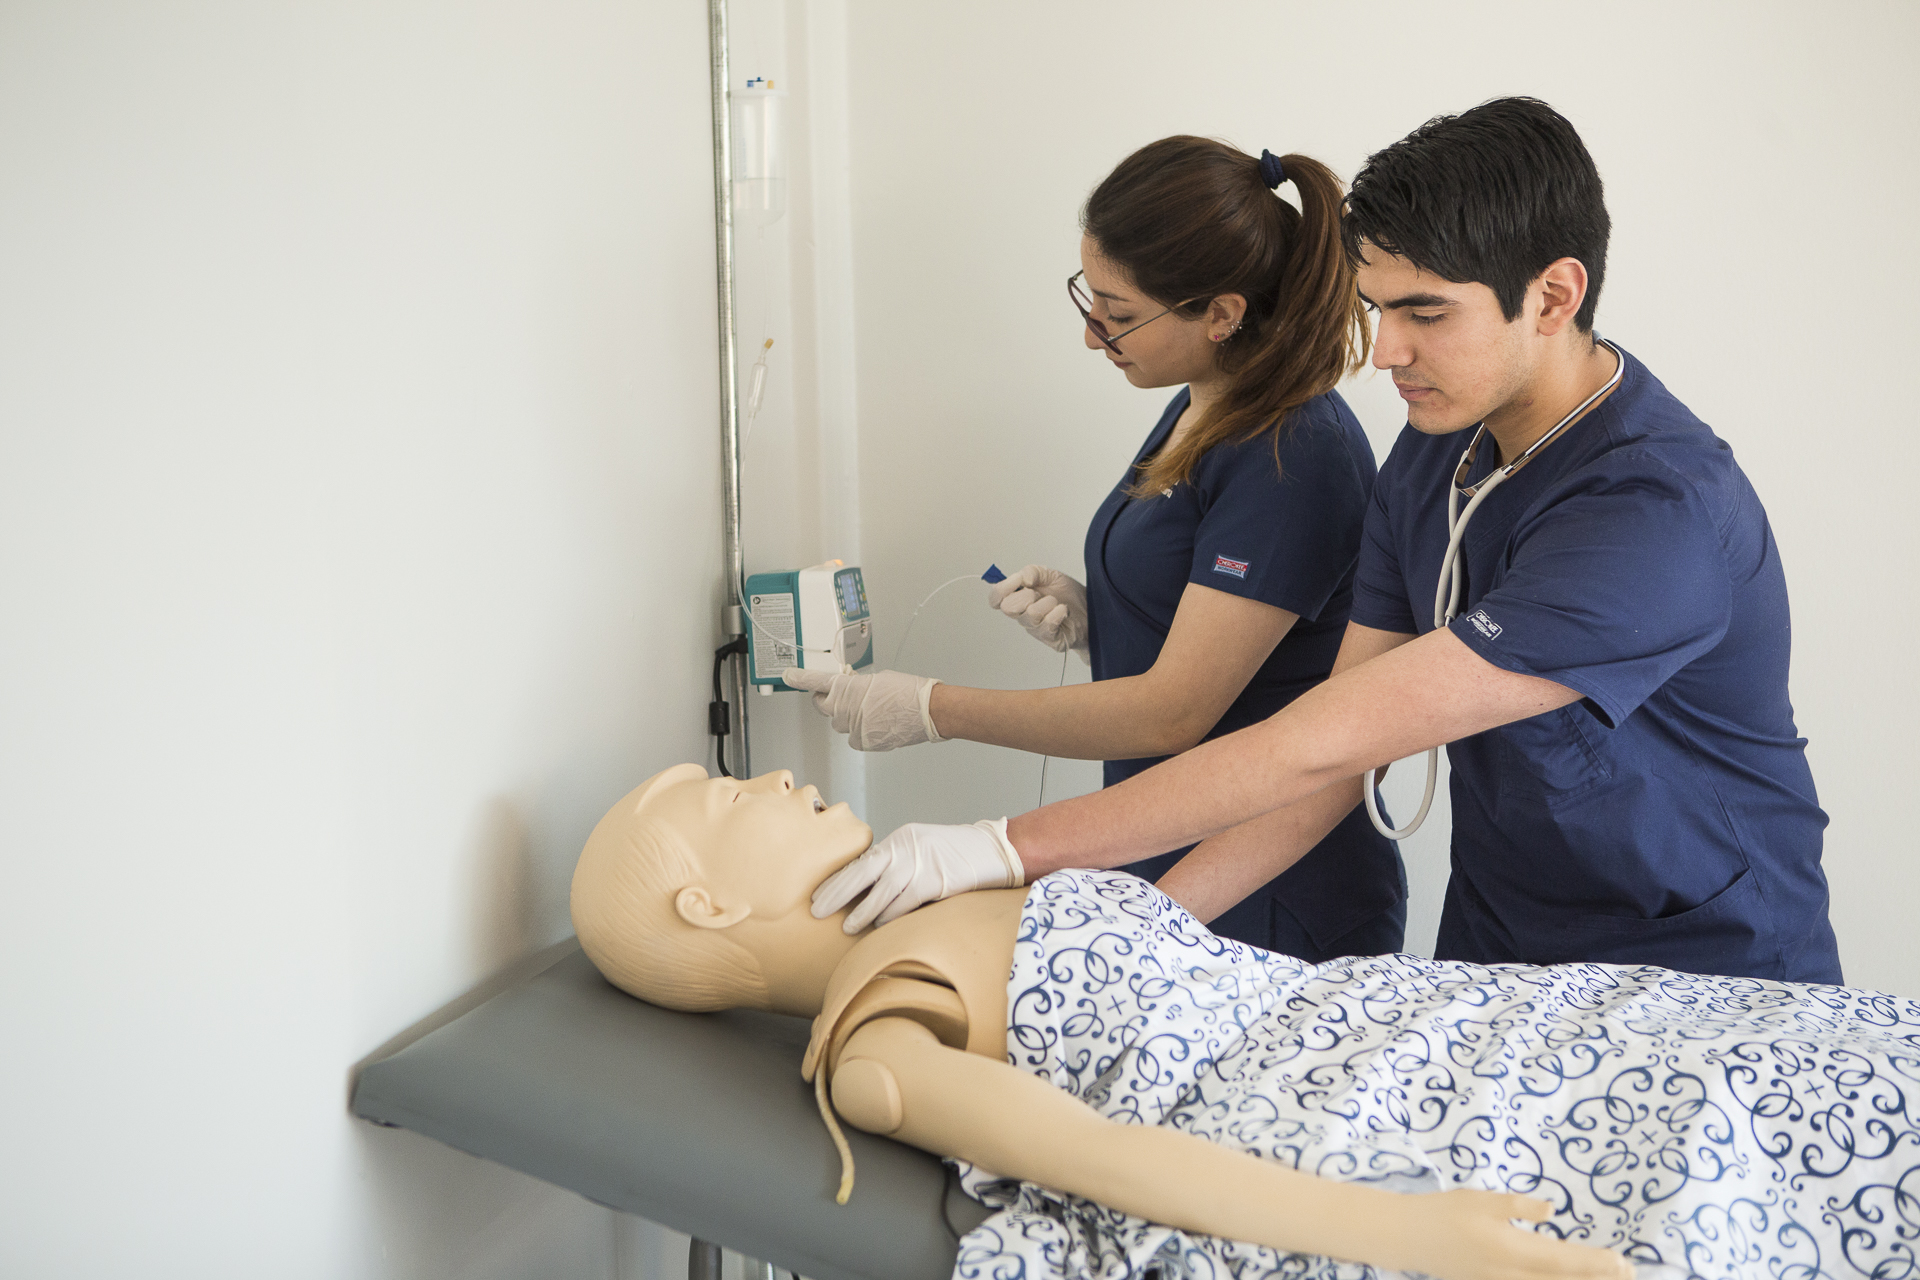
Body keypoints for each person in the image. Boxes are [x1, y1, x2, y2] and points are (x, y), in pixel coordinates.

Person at [812, 98, 1839, 986]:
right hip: (1504, 942)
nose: (1386, 352)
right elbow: (1331, 757)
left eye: (1425, 313)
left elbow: (1323, 739)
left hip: (1699, 963)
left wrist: (1002, 847)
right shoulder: (1436, 460)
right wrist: (1155, 931)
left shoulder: (1656, 513)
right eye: (1377, 308)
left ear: (1555, 295)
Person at [571, 765, 1920, 1280]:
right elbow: (1127, 1168)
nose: (785, 771)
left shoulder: (945, 897)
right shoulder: (881, 1046)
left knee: (1790, 1054)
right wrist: (1417, 1233)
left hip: (1401, 1020)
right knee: (1757, 1137)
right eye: (733, 792)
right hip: (1346, 1122)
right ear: (704, 904)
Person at [784, 136, 1404, 961]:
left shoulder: (1295, 452)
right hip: (1156, 856)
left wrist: (933, 708)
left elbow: (1175, 711)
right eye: (1089, 299)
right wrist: (1102, 618)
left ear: (1222, 314)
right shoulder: (1203, 402)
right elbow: (1217, 625)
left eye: (1118, 314)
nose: (1092, 335)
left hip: (1269, 897)